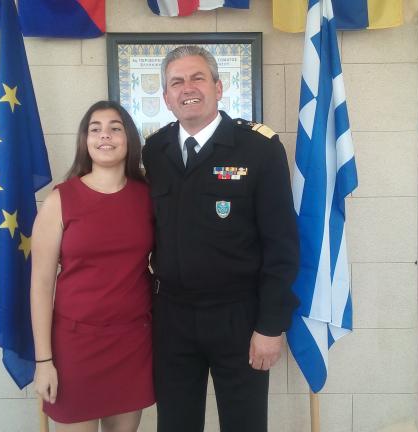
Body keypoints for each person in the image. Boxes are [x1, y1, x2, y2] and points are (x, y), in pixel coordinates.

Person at [142, 46, 300, 432]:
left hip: (238, 316)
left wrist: (271, 325)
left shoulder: (258, 148)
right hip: (173, 317)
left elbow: (281, 244)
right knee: (175, 424)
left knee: (244, 424)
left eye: (197, 78)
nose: (187, 88)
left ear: (218, 87)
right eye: (176, 82)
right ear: (166, 97)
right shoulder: (155, 150)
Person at [30, 101, 154, 432]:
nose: (105, 136)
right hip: (75, 347)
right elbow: (41, 284)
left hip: (132, 342)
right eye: (95, 129)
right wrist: (44, 361)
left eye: (115, 128)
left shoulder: (148, 197)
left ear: (129, 139)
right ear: (85, 140)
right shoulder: (60, 200)